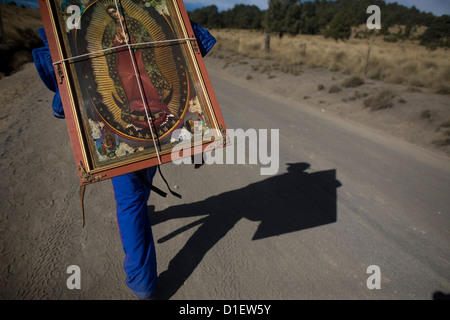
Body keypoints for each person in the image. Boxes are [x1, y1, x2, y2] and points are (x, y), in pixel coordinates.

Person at [33, 13, 216, 300]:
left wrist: (198, 135)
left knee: (130, 203)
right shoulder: (118, 24)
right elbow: (190, 55)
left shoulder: (83, 17)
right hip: (147, 123)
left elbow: (179, 58)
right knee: (137, 186)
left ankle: (143, 285)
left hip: (135, 126)